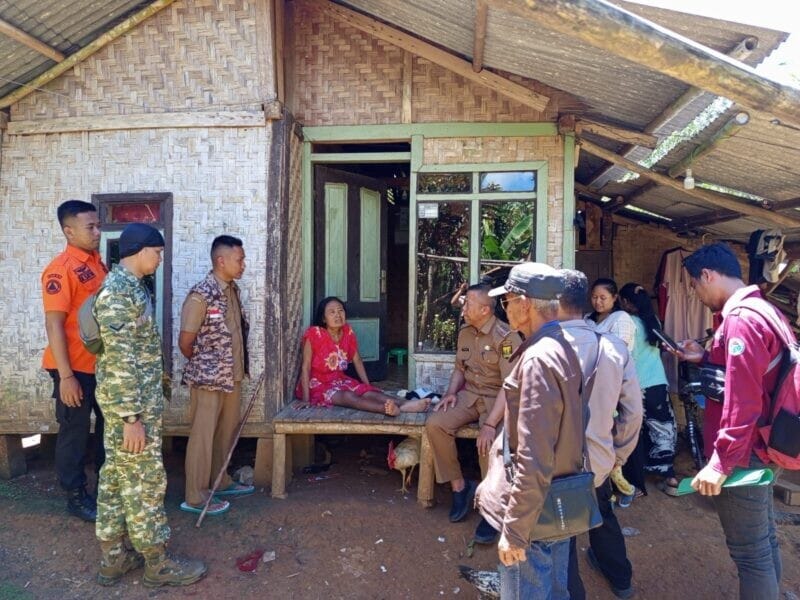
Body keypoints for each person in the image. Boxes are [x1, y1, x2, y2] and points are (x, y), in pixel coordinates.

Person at [94, 223, 206, 588]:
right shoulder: (117, 294)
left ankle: (114, 558)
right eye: (157, 253)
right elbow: (120, 359)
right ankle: (156, 563)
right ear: (140, 250)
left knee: (115, 479)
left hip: (132, 407)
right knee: (143, 482)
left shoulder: (132, 289)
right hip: (130, 410)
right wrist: (131, 418)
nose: (160, 259)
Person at [676, 243, 787, 600]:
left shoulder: (740, 320)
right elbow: (751, 373)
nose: (696, 293)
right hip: (769, 443)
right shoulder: (764, 311)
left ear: (707, 275)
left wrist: (721, 462)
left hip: (745, 453)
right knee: (763, 539)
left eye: (695, 285)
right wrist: (705, 356)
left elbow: (743, 400)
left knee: (750, 552)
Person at [475, 262, 583, 600]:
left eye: (506, 301)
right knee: (555, 590)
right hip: (558, 498)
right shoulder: (562, 345)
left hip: (534, 511)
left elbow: (533, 455)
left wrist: (516, 530)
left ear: (524, 303)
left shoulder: (537, 359)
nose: (504, 309)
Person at [559, 270, 643, 600]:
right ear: (586, 302)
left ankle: (570, 591)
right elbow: (633, 413)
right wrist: (615, 455)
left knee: (561, 533)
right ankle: (620, 580)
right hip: (598, 460)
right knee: (603, 516)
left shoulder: (542, 347)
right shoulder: (614, 347)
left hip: (558, 464)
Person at [425, 283, 522, 529]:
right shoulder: (466, 332)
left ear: (485, 310)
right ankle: (460, 487)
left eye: (468, 303)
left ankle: (491, 509)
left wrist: (490, 424)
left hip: (496, 401)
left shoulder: (507, 337)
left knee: (489, 442)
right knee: (436, 423)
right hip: (469, 395)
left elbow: (508, 386)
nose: (463, 307)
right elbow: (460, 368)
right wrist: (449, 393)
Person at [41, 200, 107, 522]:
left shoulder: (98, 264)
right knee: (75, 432)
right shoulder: (60, 269)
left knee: (108, 428)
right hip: (73, 369)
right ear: (69, 231)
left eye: (98, 226)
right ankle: (76, 496)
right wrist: (66, 377)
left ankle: (107, 490)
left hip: (99, 365)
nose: (97, 232)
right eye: (89, 227)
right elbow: (54, 323)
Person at [179, 235, 254, 516]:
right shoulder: (201, 295)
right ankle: (195, 496)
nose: (243, 264)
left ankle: (220, 481)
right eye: (240, 259)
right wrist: (208, 365)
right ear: (221, 261)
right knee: (203, 435)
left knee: (225, 433)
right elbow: (185, 342)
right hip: (208, 379)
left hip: (232, 376)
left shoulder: (231, 291)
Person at [296, 296, 429, 415]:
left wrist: (367, 386)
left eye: (340, 310)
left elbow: (357, 360)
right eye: (332, 312)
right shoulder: (314, 334)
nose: (338, 315)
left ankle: (406, 405)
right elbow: (306, 367)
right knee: (347, 396)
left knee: (368, 393)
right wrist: (306, 400)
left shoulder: (347, 332)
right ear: (323, 318)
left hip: (339, 380)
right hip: (317, 384)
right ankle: (386, 409)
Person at [618, 282, 679, 496]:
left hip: (638, 385)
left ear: (624, 302)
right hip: (658, 383)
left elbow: (626, 356)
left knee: (637, 428)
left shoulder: (628, 323)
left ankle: (637, 475)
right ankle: (668, 475)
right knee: (662, 427)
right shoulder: (652, 322)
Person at [588, 278, 636, 352]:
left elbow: (618, 350)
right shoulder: (587, 318)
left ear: (614, 297)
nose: (597, 301)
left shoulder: (621, 318)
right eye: (594, 297)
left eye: (603, 298)